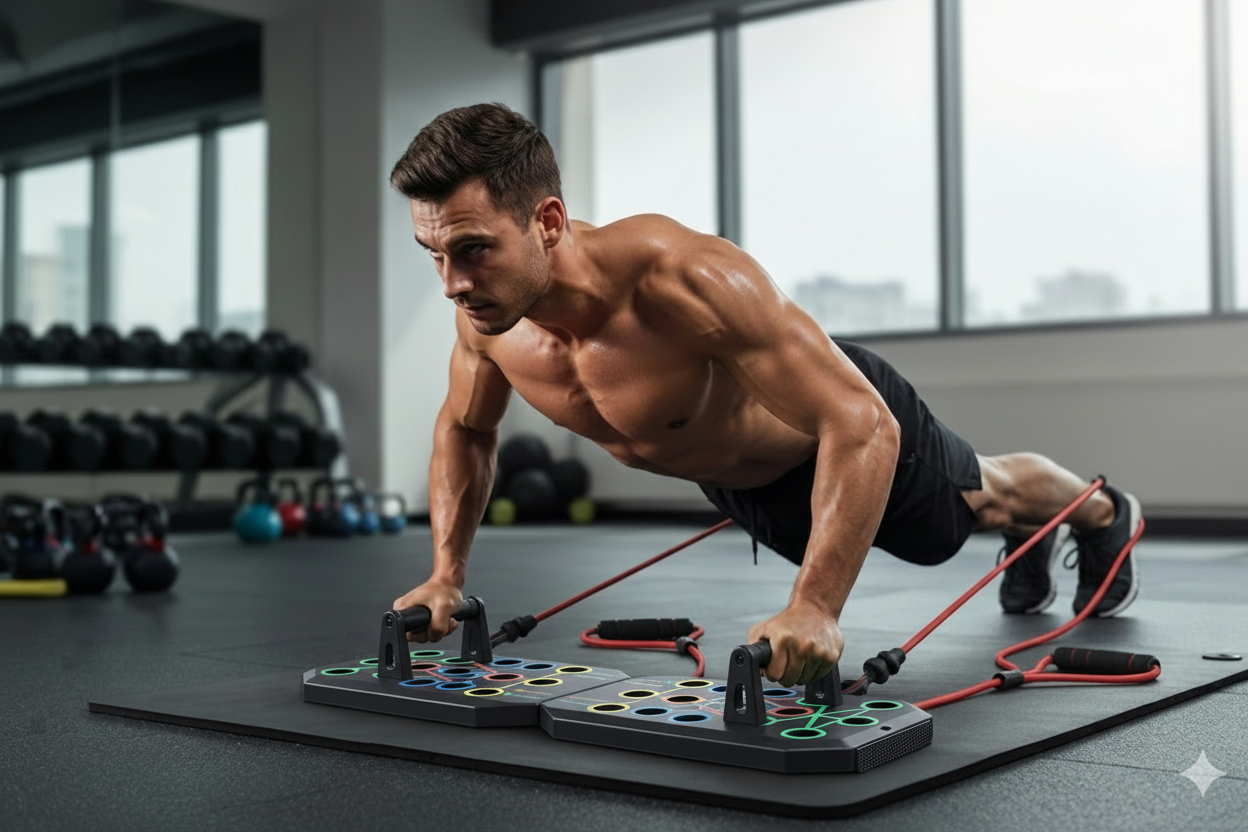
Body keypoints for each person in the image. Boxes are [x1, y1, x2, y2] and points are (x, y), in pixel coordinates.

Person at [389, 103, 1143, 688]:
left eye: (474, 249)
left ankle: (1104, 511)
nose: (453, 282)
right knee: (960, 516)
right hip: (740, 482)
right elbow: (465, 429)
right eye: (435, 255)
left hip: (840, 427)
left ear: (547, 221)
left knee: (980, 501)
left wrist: (816, 606)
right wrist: (446, 572)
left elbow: (858, 421)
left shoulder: (685, 277)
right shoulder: (486, 321)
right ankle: (1031, 528)